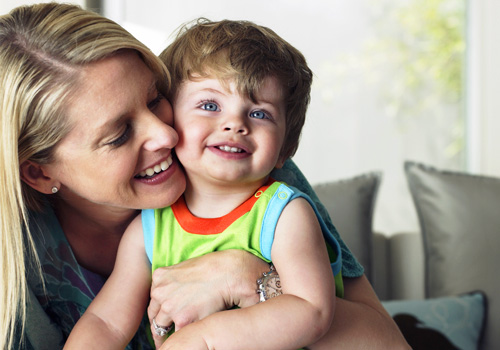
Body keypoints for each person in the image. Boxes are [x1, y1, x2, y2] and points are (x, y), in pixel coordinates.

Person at [0, 3, 409, 350]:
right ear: (38, 172)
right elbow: (104, 325)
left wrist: (250, 280)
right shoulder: (134, 234)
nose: (165, 134)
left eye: (155, 98)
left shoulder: (255, 177)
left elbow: (386, 341)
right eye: (120, 134)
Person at [66, 18, 345, 350]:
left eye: (259, 113)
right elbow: (106, 322)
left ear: (286, 149)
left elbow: (312, 310)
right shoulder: (150, 228)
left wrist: (205, 339)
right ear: (171, 119)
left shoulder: (284, 214)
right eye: (210, 106)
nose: (234, 124)